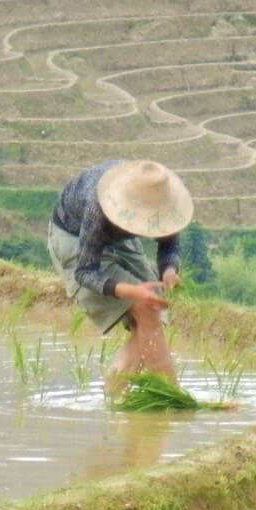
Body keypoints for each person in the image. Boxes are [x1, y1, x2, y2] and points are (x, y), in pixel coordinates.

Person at [47, 160, 192, 391]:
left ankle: (114, 392)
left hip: (117, 237)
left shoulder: (158, 196)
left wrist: (169, 271)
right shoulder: (99, 205)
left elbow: (169, 245)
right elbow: (85, 271)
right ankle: (172, 396)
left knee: (151, 312)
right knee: (145, 309)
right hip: (75, 238)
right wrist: (131, 291)